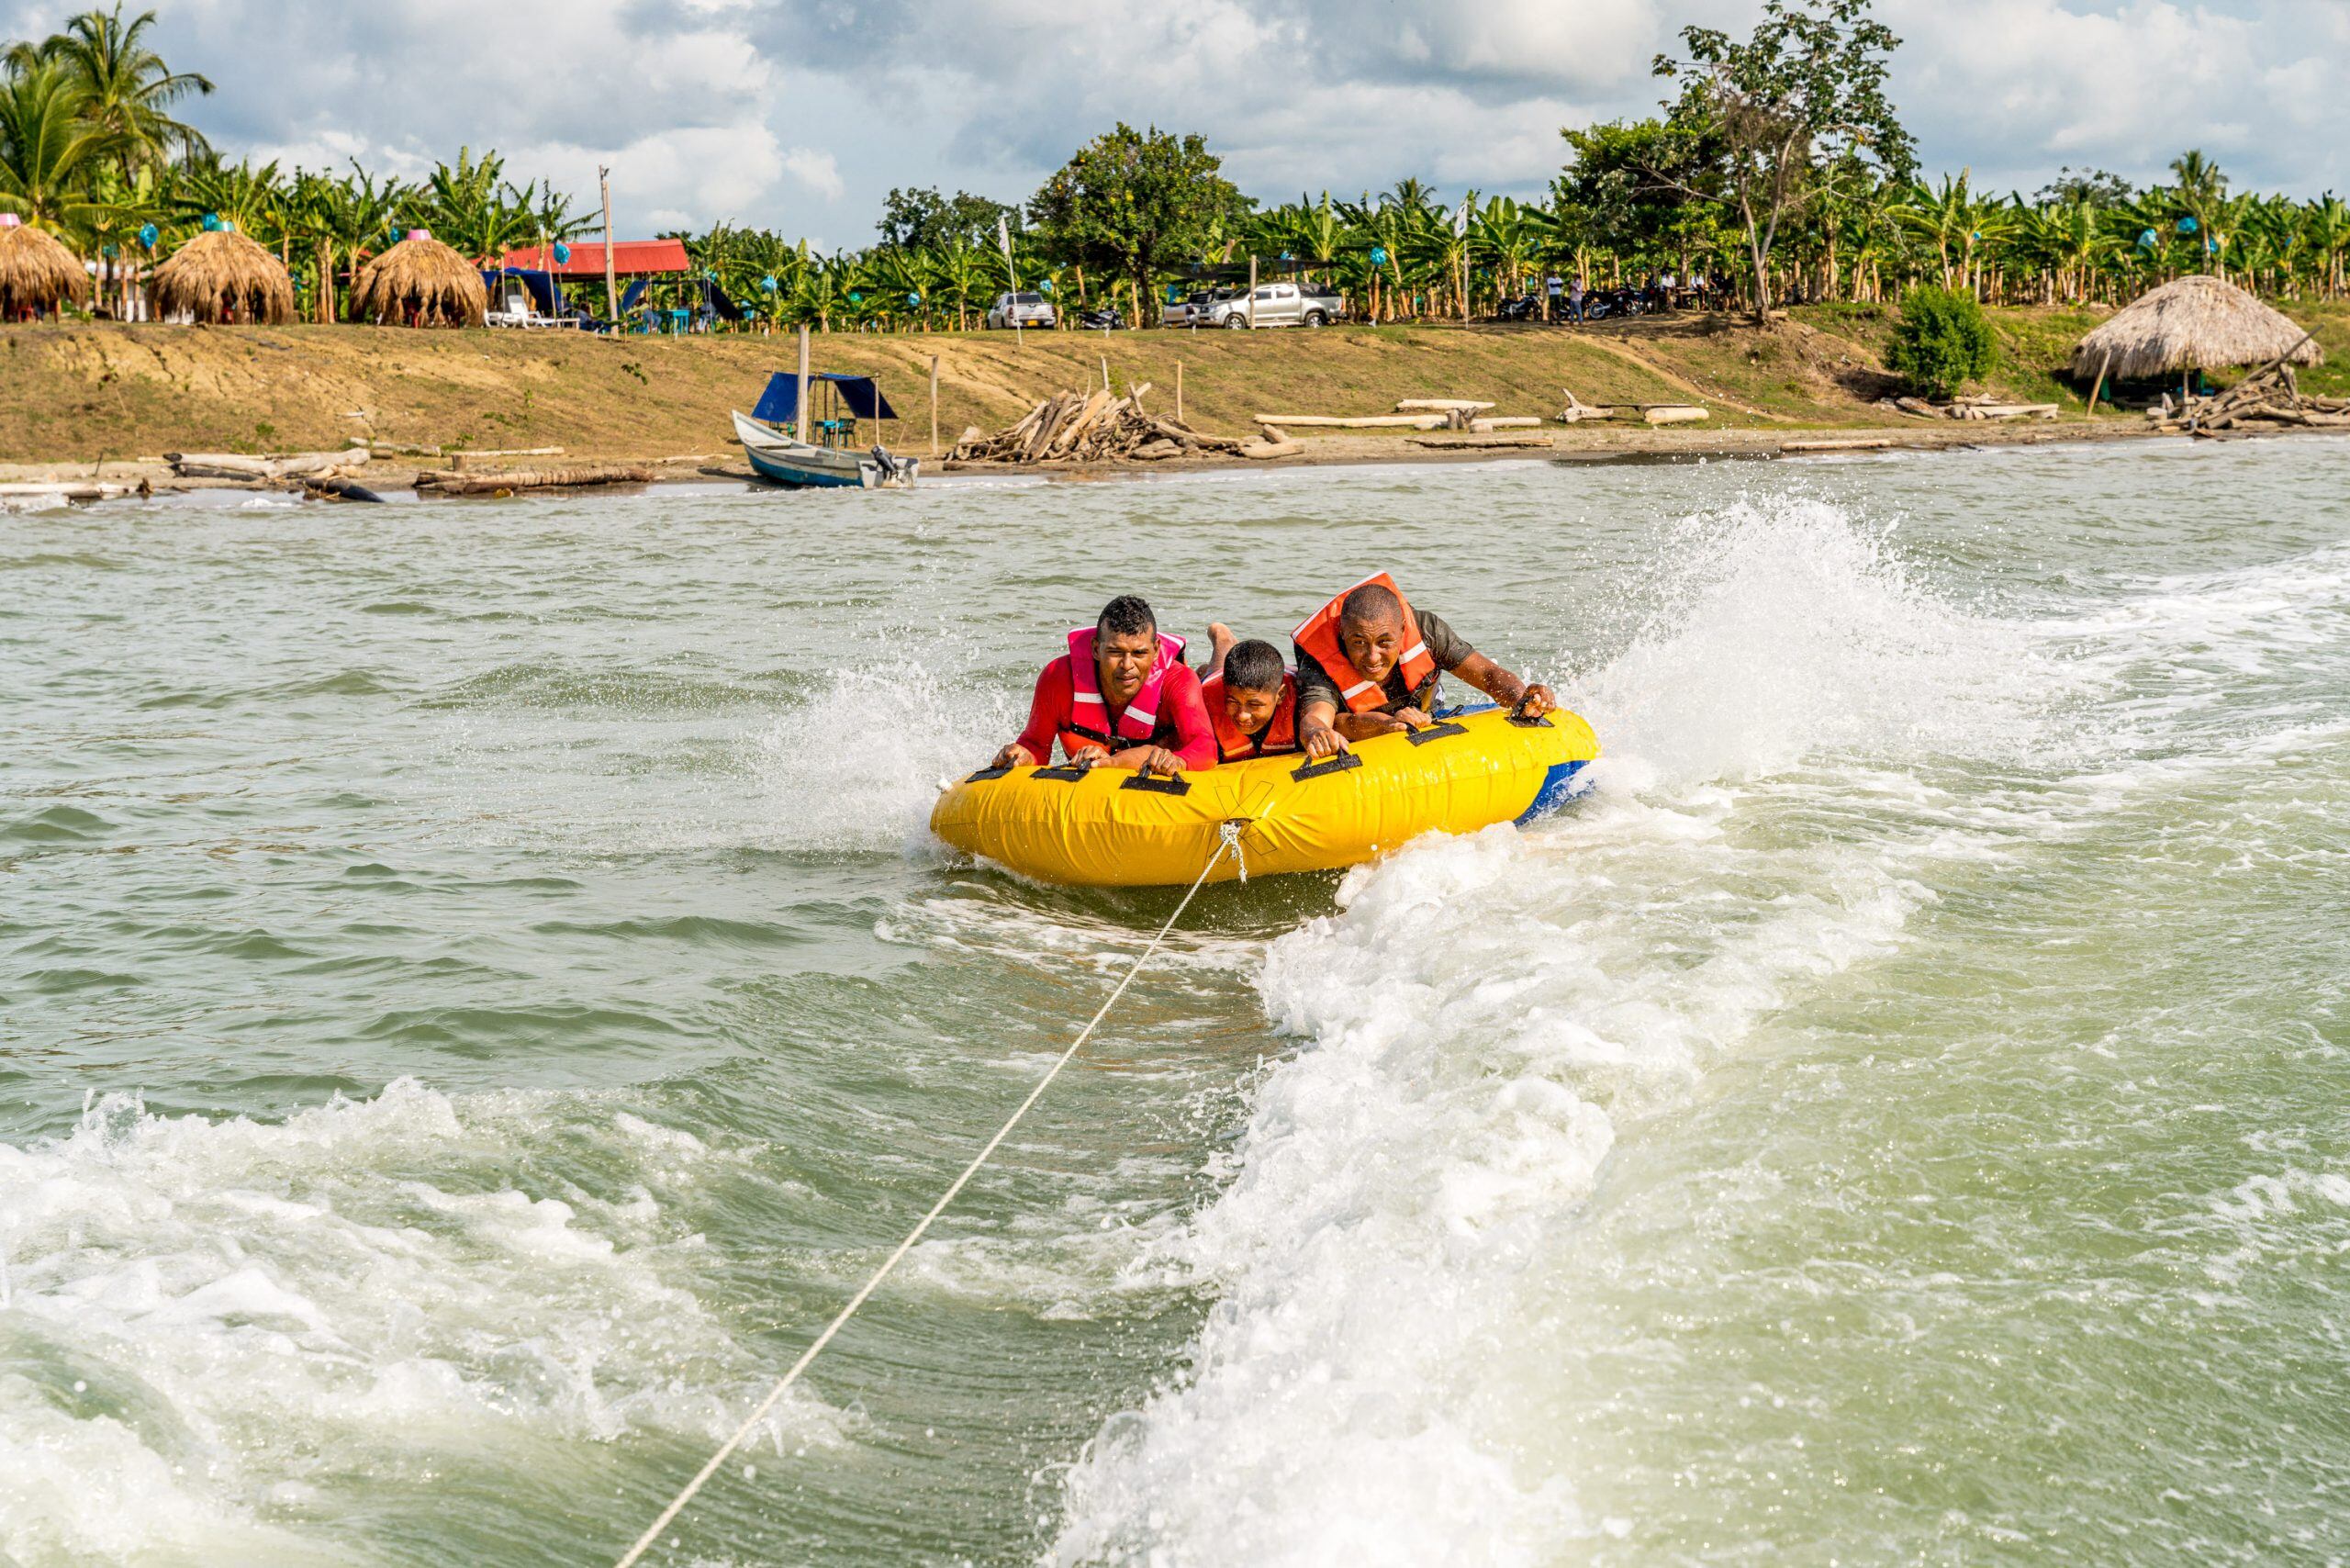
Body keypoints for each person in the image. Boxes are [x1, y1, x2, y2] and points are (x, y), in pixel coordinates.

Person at [1290, 574, 1556, 758]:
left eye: (1384, 642)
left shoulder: (1427, 630)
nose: (1372, 657)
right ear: (1342, 633)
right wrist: (1316, 732)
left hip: (1428, 713)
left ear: (1403, 631)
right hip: (1366, 728)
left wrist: (1522, 698)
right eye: (1358, 642)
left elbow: (1486, 675)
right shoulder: (1319, 660)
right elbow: (1326, 720)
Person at [991, 595, 1215, 773]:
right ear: (1096, 649)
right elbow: (1037, 745)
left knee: (1210, 683)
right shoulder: (1058, 678)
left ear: (1156, 650)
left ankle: (1220, 644)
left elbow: (1206, 748)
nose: (1127, 665)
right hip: (1105, 767)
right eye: (1115, 652)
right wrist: (1023, 755)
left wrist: (1178, 761)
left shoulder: (1178, 682)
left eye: (1139, 653)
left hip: (1152, 759)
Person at [1196, 630, 1300, 762]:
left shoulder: (1300, 694)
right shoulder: (1204, 696)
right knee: (1213, 671)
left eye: (1254, 704)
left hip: (1274, 674)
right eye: (1233, 702)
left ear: (1280, 695)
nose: (1242, 716)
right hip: (1218, 680)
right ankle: (1223, 638)